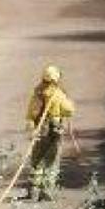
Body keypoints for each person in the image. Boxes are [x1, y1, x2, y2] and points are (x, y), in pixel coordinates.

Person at [25, 65, 75, 201]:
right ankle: (46, 190)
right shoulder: (58, 94)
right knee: (51, 160)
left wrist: (31, 126)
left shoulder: (38, 93)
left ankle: (33, 190)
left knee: (36, 159)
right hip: (54, 130)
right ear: (57, 79)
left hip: (39, 130)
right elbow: (69, 110)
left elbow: (31, 112)